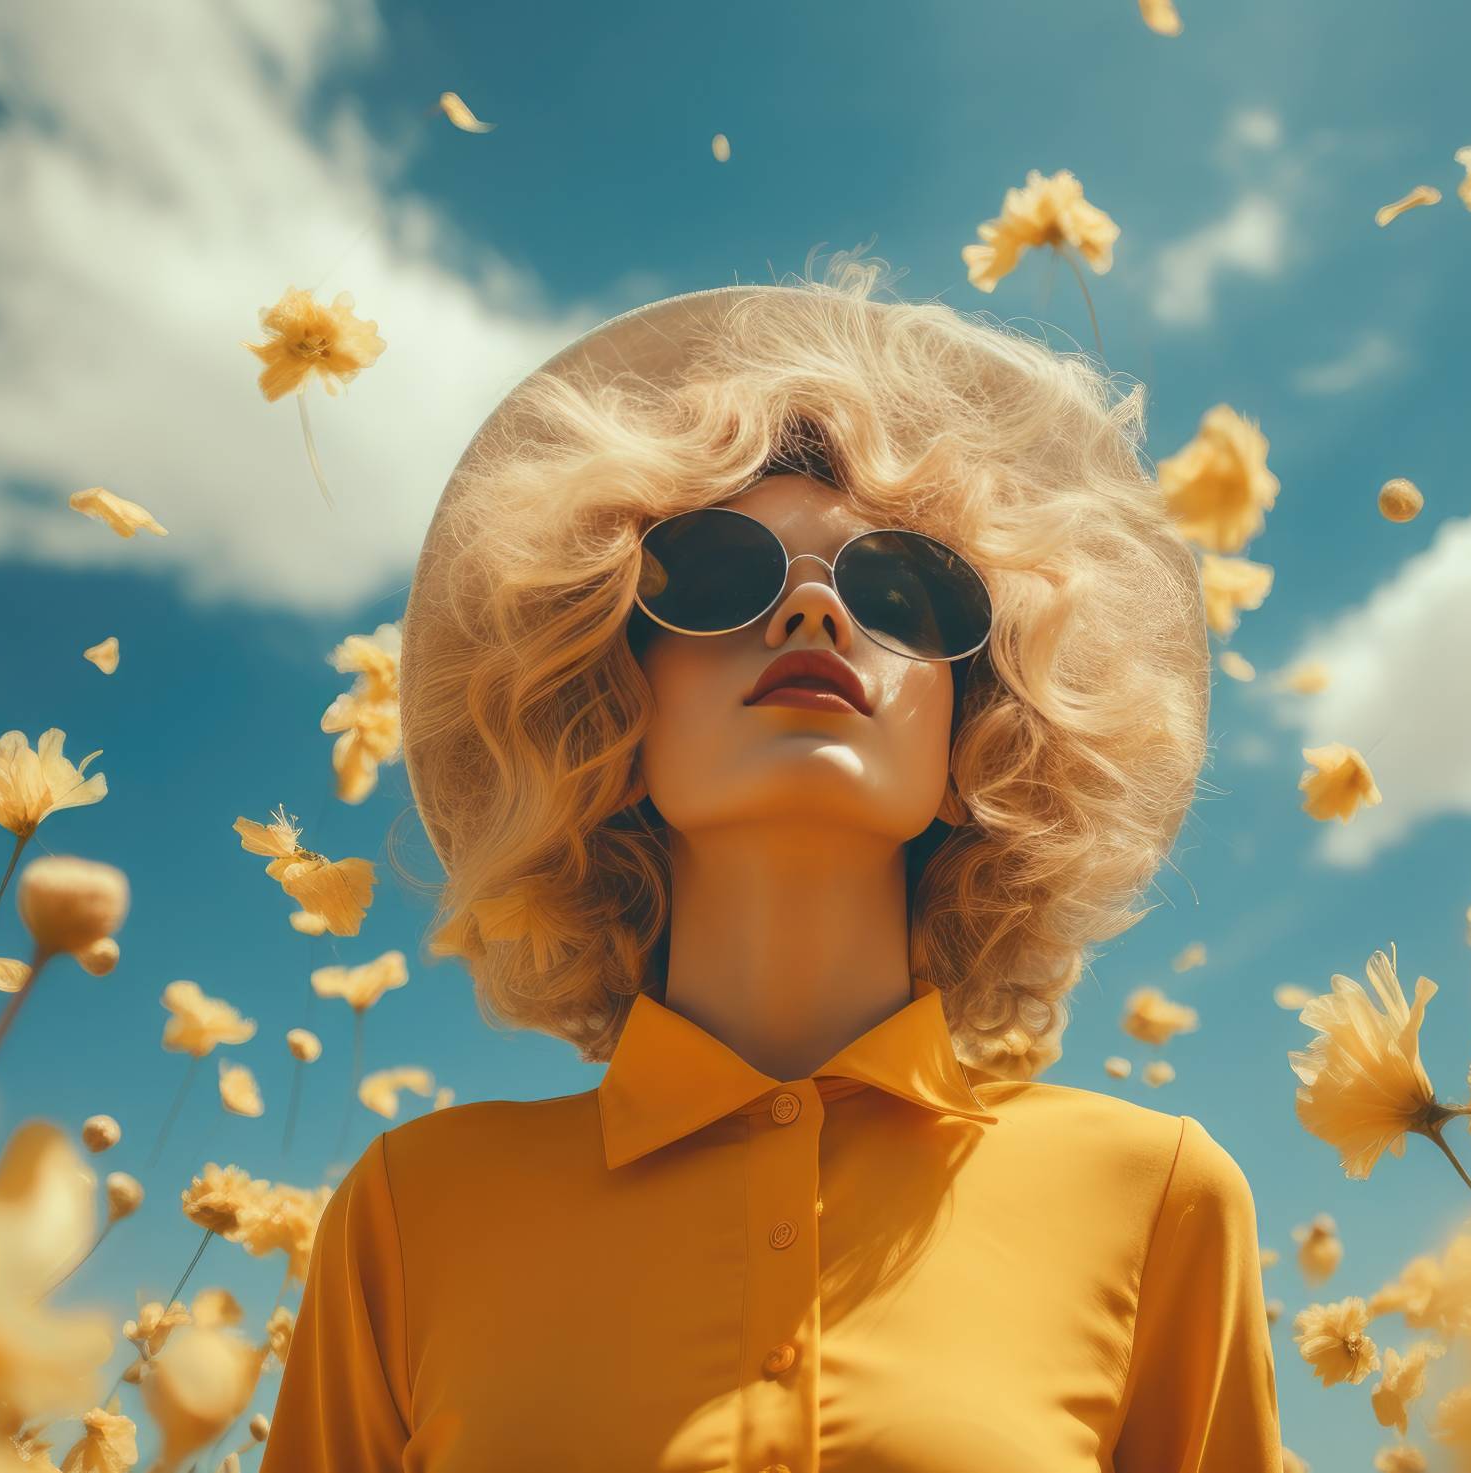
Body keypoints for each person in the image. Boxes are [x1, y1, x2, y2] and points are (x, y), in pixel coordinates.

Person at [262, 258, 1281, 1472]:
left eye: (905, 592)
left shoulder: (1157, 1201)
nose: (813, 616)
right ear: (611, 722)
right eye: (713, 580)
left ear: (977, 745)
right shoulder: (411, 1214)